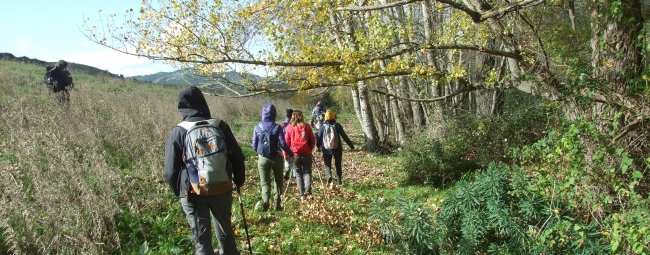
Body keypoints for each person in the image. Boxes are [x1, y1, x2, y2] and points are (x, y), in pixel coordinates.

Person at [163, 86, 245, 255]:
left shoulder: (179, 132)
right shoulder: (220, 125)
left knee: (202, 242)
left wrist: (179, 192)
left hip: (193, 191)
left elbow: (170, 171)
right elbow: (237, 156)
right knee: (225, 233)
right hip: (222, 186)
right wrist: (238, 180)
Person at [252, 104, 295, 211]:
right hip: (276, 157)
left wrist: (261, 152)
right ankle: (277, 204)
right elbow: (283, 144)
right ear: (274, 114)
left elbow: (253, 145)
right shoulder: (277, 127)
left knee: (265, 182)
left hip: (262, 159)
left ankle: (266, 200)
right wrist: (291, 154)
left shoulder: (257, 127)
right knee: (278, 181)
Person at [316, 110, 354, 187]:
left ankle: (329, 176)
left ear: (325, 117)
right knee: (338, 164)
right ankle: (339, 181)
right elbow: (344, 136)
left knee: (327, 164)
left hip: (326, 149)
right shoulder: (338, 125)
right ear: (334, 116)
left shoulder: (322, 127)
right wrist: (351, 146)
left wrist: (318, 146)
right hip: (337, 149)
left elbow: (318, 138)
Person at [284, 110, 316, 201]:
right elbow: (313, 140)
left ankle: (302, 194)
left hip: (295, 155)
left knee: (298, 174)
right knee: (307, 172)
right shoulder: (307, 127)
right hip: (306, 154)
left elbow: (286, 142)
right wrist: (309, 149)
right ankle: (308, 189)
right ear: (302, 116)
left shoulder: (289, 128)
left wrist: (286, 154)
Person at [279, 109, 294, 180]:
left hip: (284, 144)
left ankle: (287, 170)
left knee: (286, 158)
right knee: (294, 158)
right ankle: (294, 174)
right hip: (293, 144)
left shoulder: (281, 124)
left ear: (286, 115)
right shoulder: (294, 124)